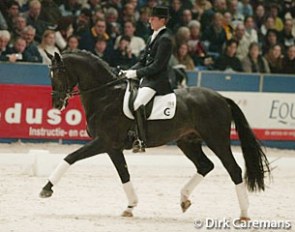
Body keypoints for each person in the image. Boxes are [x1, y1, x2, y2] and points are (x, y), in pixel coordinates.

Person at [122, 6, 173, 153]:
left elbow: (157, 66)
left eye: (153, 18)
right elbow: (143, 60)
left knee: (138, 103)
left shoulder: (166, 39)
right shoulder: (152, 37)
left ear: (162, 20)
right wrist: (129, 71)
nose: (149, 20)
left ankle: (141, 140)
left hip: (158, 81)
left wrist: (136, 74)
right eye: (150, 17)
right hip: (147, 79)